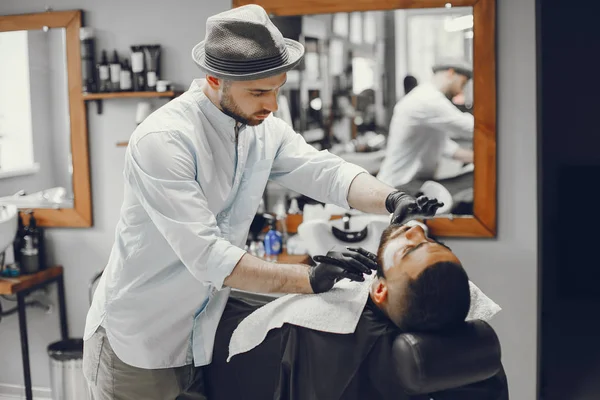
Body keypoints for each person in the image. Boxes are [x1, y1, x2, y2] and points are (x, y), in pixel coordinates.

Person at [82, 5, 444, 399]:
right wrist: (308, 278)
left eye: (277, 88)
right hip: (141, 341)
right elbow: (208, 256)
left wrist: (392, 198)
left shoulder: (263, 129)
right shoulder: (164, 140)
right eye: (258, 92)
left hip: (205, 330)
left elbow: (325, 171)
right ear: (214, 79)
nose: (272, 104)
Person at [180, 221, 507, 399]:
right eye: (434, 242)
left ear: (379, 289)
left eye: (409, 248)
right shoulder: (468, 360)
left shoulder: (310, 331)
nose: (418, 228)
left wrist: (308, 278)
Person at [377, 59, 475, 189]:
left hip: (407, 184)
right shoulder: (428, 99)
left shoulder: (425, 96)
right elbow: (472, 127)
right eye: (462, 84)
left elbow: (444, 146)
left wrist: (478, 158)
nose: (460, 92)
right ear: (451, 73)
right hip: (400, 187)